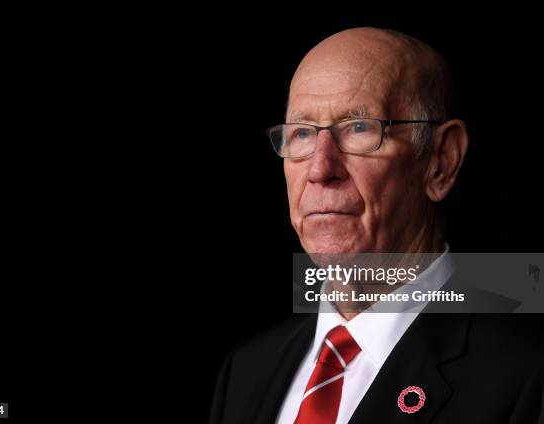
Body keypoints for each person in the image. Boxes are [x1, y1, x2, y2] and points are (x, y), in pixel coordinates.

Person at [209, 27, 544, 423]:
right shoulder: (246, 371)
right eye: (301, 133)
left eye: (359, 128)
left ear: (441, 160)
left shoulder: (529, 374)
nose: (320, 169)